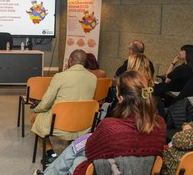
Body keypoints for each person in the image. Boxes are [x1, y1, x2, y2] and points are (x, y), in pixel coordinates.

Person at [36, 70, 166, 175]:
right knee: (77, 152)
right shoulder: (160, 124)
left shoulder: (110, 127)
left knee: (77, 153)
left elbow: (91, 153)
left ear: (120, 98)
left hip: (113, 169)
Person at [30, 49, 96, 162]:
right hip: (84, 123)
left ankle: (50, 154)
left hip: (60, 123)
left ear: (70, 61)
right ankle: (72, 153)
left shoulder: (60, 76)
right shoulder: (93, 78)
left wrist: (37, 109)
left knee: (35, 118)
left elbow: (46, 102)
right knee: (73, 122)